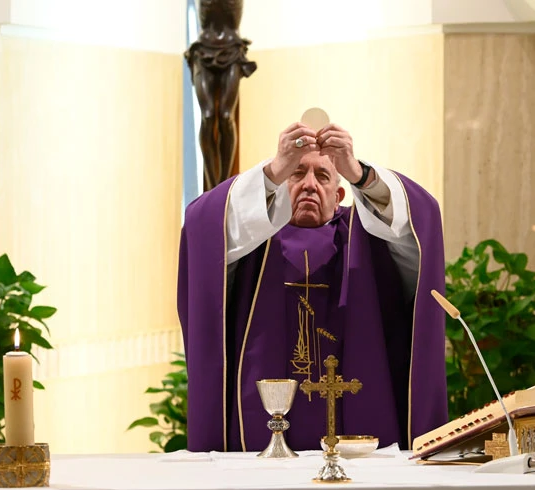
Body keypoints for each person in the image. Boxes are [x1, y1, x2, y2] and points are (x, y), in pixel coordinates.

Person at [177, 121, 448, 453]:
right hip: (258, 433)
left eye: (322, 176)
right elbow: (202, 225)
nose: (308, 185)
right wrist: (273, 169)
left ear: (339, 196)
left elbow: (419, 226)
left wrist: (361, 174)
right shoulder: (251, 242)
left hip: (356, 420)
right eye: (296, 173)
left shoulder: (367, 238)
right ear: (278, 186)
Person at [184, 0, 257, 189]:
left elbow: (234, 19)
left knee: (226, 116)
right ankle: (210, 185)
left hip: (231, 49)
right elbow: (204, 17)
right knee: (207, 116)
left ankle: (225, 184)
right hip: (204, 50)